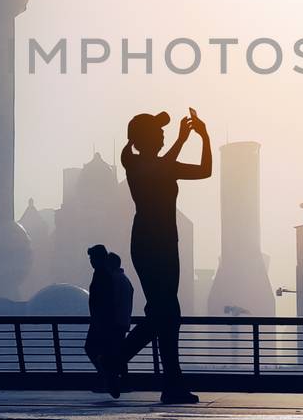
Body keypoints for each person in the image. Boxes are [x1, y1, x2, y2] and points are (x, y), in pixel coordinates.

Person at [115, 107, 212, 405]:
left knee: (166, 315)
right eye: (157, 133)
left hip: (167, 243)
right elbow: (159, 170)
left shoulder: (161, 164)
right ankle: (166, 381)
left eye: (163, 133)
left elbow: (204, 171)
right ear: (142, 138)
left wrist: (205, 138)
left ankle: (118, 359)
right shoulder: (134, 163)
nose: (162, 136)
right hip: (149, 243)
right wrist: (183, 139)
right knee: (166, 313)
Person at [85, 244, 134, 398]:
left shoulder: (103, 276)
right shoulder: (108, 275)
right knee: (112, 352)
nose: (91, 261)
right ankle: (112, 378)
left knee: (96, 349)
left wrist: (101, 322)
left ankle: (109, 377)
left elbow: (105, 301)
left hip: (103, 322)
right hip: (109, 322)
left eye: (93, 258)